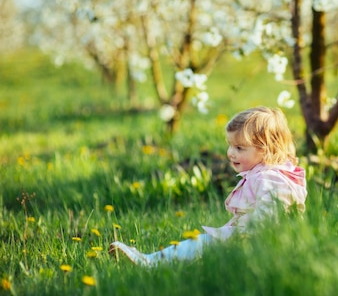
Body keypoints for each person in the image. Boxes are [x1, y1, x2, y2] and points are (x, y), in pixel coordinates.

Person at [109, 106, 307, 266]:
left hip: (258, 243)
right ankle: (153, 260)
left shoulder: (272, 178)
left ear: (265, 150)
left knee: (201, 244)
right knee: (202, 247)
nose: (231, 153)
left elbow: (274, 212)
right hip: (253, 240)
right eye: (230, 145)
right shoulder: (266, 174)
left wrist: (247, 236)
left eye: (239, 148)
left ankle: (150, 262)